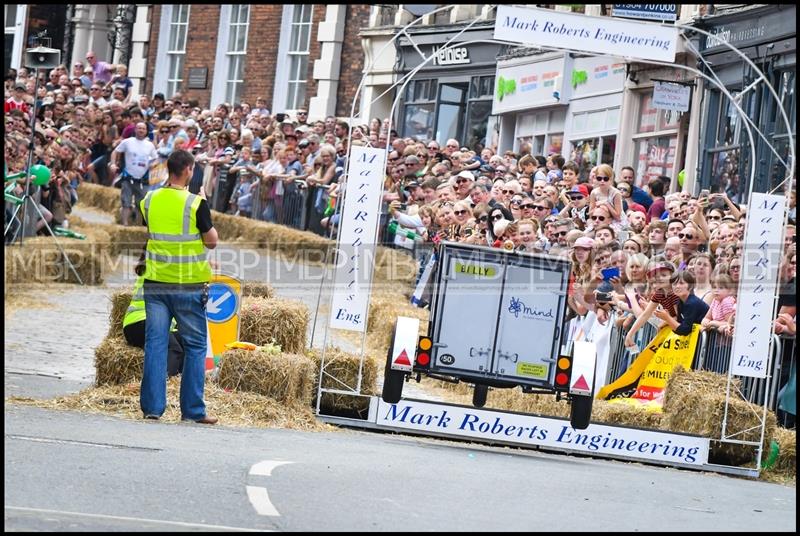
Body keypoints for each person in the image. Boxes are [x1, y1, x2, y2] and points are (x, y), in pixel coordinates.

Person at [139, 149, 219, 424]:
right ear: (187, 170)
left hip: (156, 282)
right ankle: (193, 411)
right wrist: (205, 205)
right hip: (188, 284)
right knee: (196, 346)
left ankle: (152, 408)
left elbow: (152, 230)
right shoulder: (196, 203)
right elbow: (211, 242)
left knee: (155, 344)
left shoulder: (149, 199)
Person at [123, 262, 185, 377]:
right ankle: (165, 384)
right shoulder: (160, 270)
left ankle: (179, 383)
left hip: (150, 323)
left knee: (185, 343)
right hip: (138, 322)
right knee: (173, 348)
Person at [111, 122, 158, 225]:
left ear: (146, 131)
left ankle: (138, 225)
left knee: (141, 204)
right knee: (126, 202)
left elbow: (156, 159)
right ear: (135, 130)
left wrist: (153, 165)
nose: (141, 130)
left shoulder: (150, 145)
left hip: (143, 179)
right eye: (139, 128)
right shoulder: (127, 142)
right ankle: (124, 224)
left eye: (143, 129)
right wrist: (113, 164)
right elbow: (115, 152)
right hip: (128, 176)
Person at [653, 271, 710, 336]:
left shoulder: (692, 303)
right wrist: (666, 321)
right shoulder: (680, 302)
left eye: (681, 283)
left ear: (690, 286)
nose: (677, 286)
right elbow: (679, 324)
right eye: (674, 284)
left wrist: (667, 318)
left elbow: (684, 330)